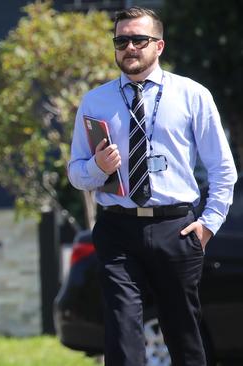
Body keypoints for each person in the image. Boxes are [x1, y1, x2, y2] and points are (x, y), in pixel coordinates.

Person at [68, 6, 236, 366]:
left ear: (158, 46)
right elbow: (76, 173)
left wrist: (208, 224)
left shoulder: (192, 95)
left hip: (175, 228)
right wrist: (97, 166)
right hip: (117, 227)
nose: (129, 47)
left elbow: (223, 169)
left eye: (138, 40)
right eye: (121, 40)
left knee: (184, 333)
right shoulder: (96, 101)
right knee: (122, 332)